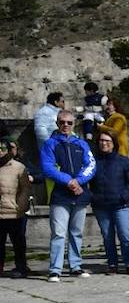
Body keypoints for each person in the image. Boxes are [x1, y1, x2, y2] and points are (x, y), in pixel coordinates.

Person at [39, 110, 95, 282]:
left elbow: (91, 165)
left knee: (76, 232)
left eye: (69, 123)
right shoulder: (50, 144)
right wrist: (69, 182)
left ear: (74, 124)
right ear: (57, 123)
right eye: (62, 122)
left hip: (79, 194)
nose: (65, 125)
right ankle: (55, 269)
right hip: (61, 195)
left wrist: (78, 181)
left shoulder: (82, 144)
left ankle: (75, 265)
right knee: (58, 233)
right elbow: (48, 167)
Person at [89, 129, 129, 274]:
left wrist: (123, 195)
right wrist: (93, 196)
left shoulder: (123, 161)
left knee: (124, 234)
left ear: (113, 143)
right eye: (101, 141)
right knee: (107, 236)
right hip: (101, 205)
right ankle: (112, 264)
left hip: (120, 205)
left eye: (107, 141)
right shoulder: (93, 162)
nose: (104, 144)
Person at [0, 136, 32, 278]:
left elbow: (25, 189)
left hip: (15, 212)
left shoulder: (18, 167)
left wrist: (21, 206)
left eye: (2, 149)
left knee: (18, 243)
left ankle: (21, 267)